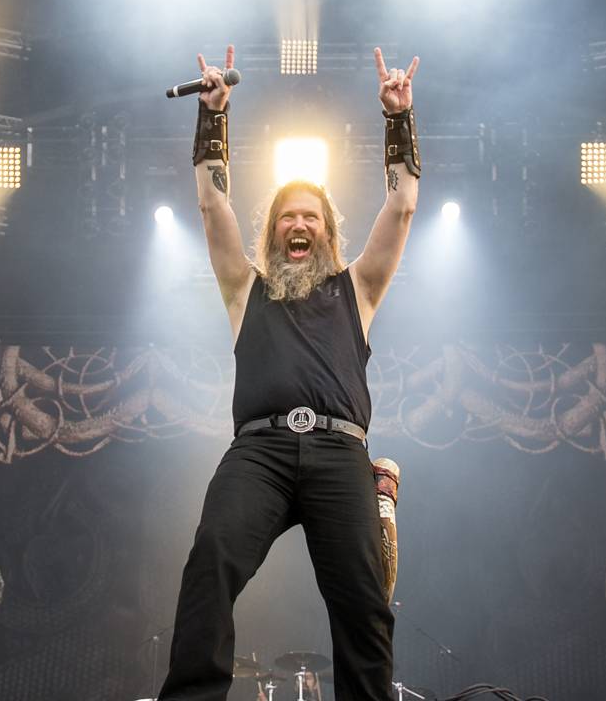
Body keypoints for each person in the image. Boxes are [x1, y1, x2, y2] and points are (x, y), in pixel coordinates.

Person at [158, 44, 422, 701]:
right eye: (287, 217)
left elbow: (402, 208)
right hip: (262, 452)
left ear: (327, 233)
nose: (298, 224)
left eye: (310, 217)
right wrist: (214, 116)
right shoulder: (244, 289)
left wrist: (398, 119)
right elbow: (213, 208)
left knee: (363, 599)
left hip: (339, 451)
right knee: (212, 556)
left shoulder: (357, 288)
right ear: (273, 232)